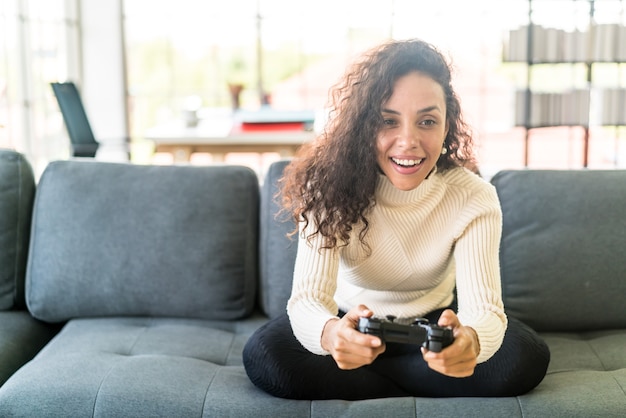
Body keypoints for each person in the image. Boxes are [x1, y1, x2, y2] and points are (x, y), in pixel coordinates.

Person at [243, 38, 550, 400]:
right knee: (266, 354)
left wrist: (471, 341)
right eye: (388, 121)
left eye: (427, 121)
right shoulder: (325, 188)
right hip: (353, 323)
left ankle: (379, 381)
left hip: (435, 327)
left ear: (447, 125)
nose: (408, 141)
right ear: (363, 126)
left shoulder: (474, 196)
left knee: (523, 357)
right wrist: (332, 335)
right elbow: (308, 299)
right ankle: (417, 381)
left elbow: (483, 310)